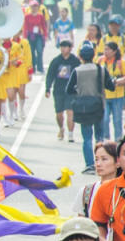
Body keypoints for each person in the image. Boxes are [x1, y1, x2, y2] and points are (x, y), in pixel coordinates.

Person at [65, 43, 123, 174]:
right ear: (94, 55)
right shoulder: (101, 69)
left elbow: (68, 90)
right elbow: (110, 86)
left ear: (81, 57)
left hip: (83, 107)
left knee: (86, 137)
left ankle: (90, 165)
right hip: (98, 105)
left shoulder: (77, 70)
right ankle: (102, 162)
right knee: (100, 137)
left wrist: (79, 92)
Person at [45, 39, 80, 142]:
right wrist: (48, 88)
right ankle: (61, 128)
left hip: (71, 91)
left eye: (66, 47)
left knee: (70, 112)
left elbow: (79, 75)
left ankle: (70, 134)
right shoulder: (56, 61)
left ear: (70, 48)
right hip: (58, 90)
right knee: (59, 114)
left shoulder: (75, 61)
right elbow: (50, 75)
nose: (63, 49)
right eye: (62, 47)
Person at [98, 40, 124, 141]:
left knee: (117, 120)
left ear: (114, 51)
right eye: (105, 49)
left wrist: (115, 81)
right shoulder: (100, 61)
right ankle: (106, 140)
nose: (105, 51)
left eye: (108, 49)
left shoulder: (121, 62)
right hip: (104, 96)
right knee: (104, 119)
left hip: (117, 96)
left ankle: (118, 141)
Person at [24, 0, 49, 73]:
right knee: (31, 52)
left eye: (35, 6)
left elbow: (43, 26)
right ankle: (33, 68)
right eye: (32, 6)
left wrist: (45, 35)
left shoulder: (40, 16)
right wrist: (25, 37)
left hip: (38, 35)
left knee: (39, 50)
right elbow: (25, 27)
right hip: (30, 35)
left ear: (38, 7)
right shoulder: (27, 16)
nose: (34, 8)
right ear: (30, 7)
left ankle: (40, 68)